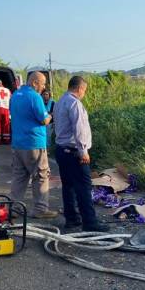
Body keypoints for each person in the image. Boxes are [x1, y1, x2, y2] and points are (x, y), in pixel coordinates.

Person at [54, 76, 110, 232]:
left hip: (61, 150)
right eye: (84, 90)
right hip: (74, 152)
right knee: (84, 187)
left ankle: (71, 219)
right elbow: (79, 129)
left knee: (68, 186)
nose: (84, 93)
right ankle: (90, 223)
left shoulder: (59, 103)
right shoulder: (74, 104)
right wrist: (83, 151)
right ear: (79, 88)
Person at [9, 71, 56, 218]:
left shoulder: (15, 95)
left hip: (18, 143)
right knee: (41, 176)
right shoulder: (34, 97)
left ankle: (13, 208)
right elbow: (43, 120)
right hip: (34, 143)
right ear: (35, 82)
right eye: (42, 84)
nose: (43, 88)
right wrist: (50, 116)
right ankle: (41, 209)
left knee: (19, 176)